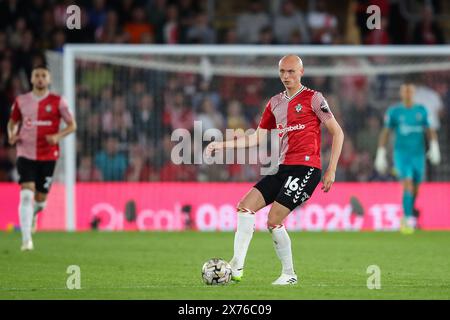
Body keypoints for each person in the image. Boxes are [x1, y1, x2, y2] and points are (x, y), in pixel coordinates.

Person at [206, 55, 344, 285]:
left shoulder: (314, 98)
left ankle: (289, 275)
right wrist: (222, 144)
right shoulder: (274, 103)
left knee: (273, 220)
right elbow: (256, 138)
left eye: (290, 71)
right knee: (244, 207)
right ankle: (237, 267)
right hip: (283, 168)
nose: (286, 76)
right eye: (282, 72)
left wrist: (331, 170)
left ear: (301, 71)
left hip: (306, 169)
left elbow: (337, 132)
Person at [7, 66, 76, 251]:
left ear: (49, 79)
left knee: (40, 201)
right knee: (26, 195)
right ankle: (26, 240)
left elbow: (72, 125)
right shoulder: (21, 101)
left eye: (43, 76)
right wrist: (11, 134)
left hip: (48, 155)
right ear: (31, 78)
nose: (39, 79)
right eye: (36, 75)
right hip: (25, 153)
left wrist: (57, 136)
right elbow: (12, 122)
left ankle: (34, 214)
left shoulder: (58, 101)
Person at [374, 82, 440, 234]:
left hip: (418, 155)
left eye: (410, 91)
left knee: (415, 188)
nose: (408, 94)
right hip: (401, 155)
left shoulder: (421, 111)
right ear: (401, 93)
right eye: (405, 91)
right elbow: (386, 132)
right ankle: (408, 219)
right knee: (408, 183)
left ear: (414, 92)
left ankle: (410, 212)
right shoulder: (395, 111)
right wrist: (381, 153)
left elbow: (429, 129)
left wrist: (434, 146)